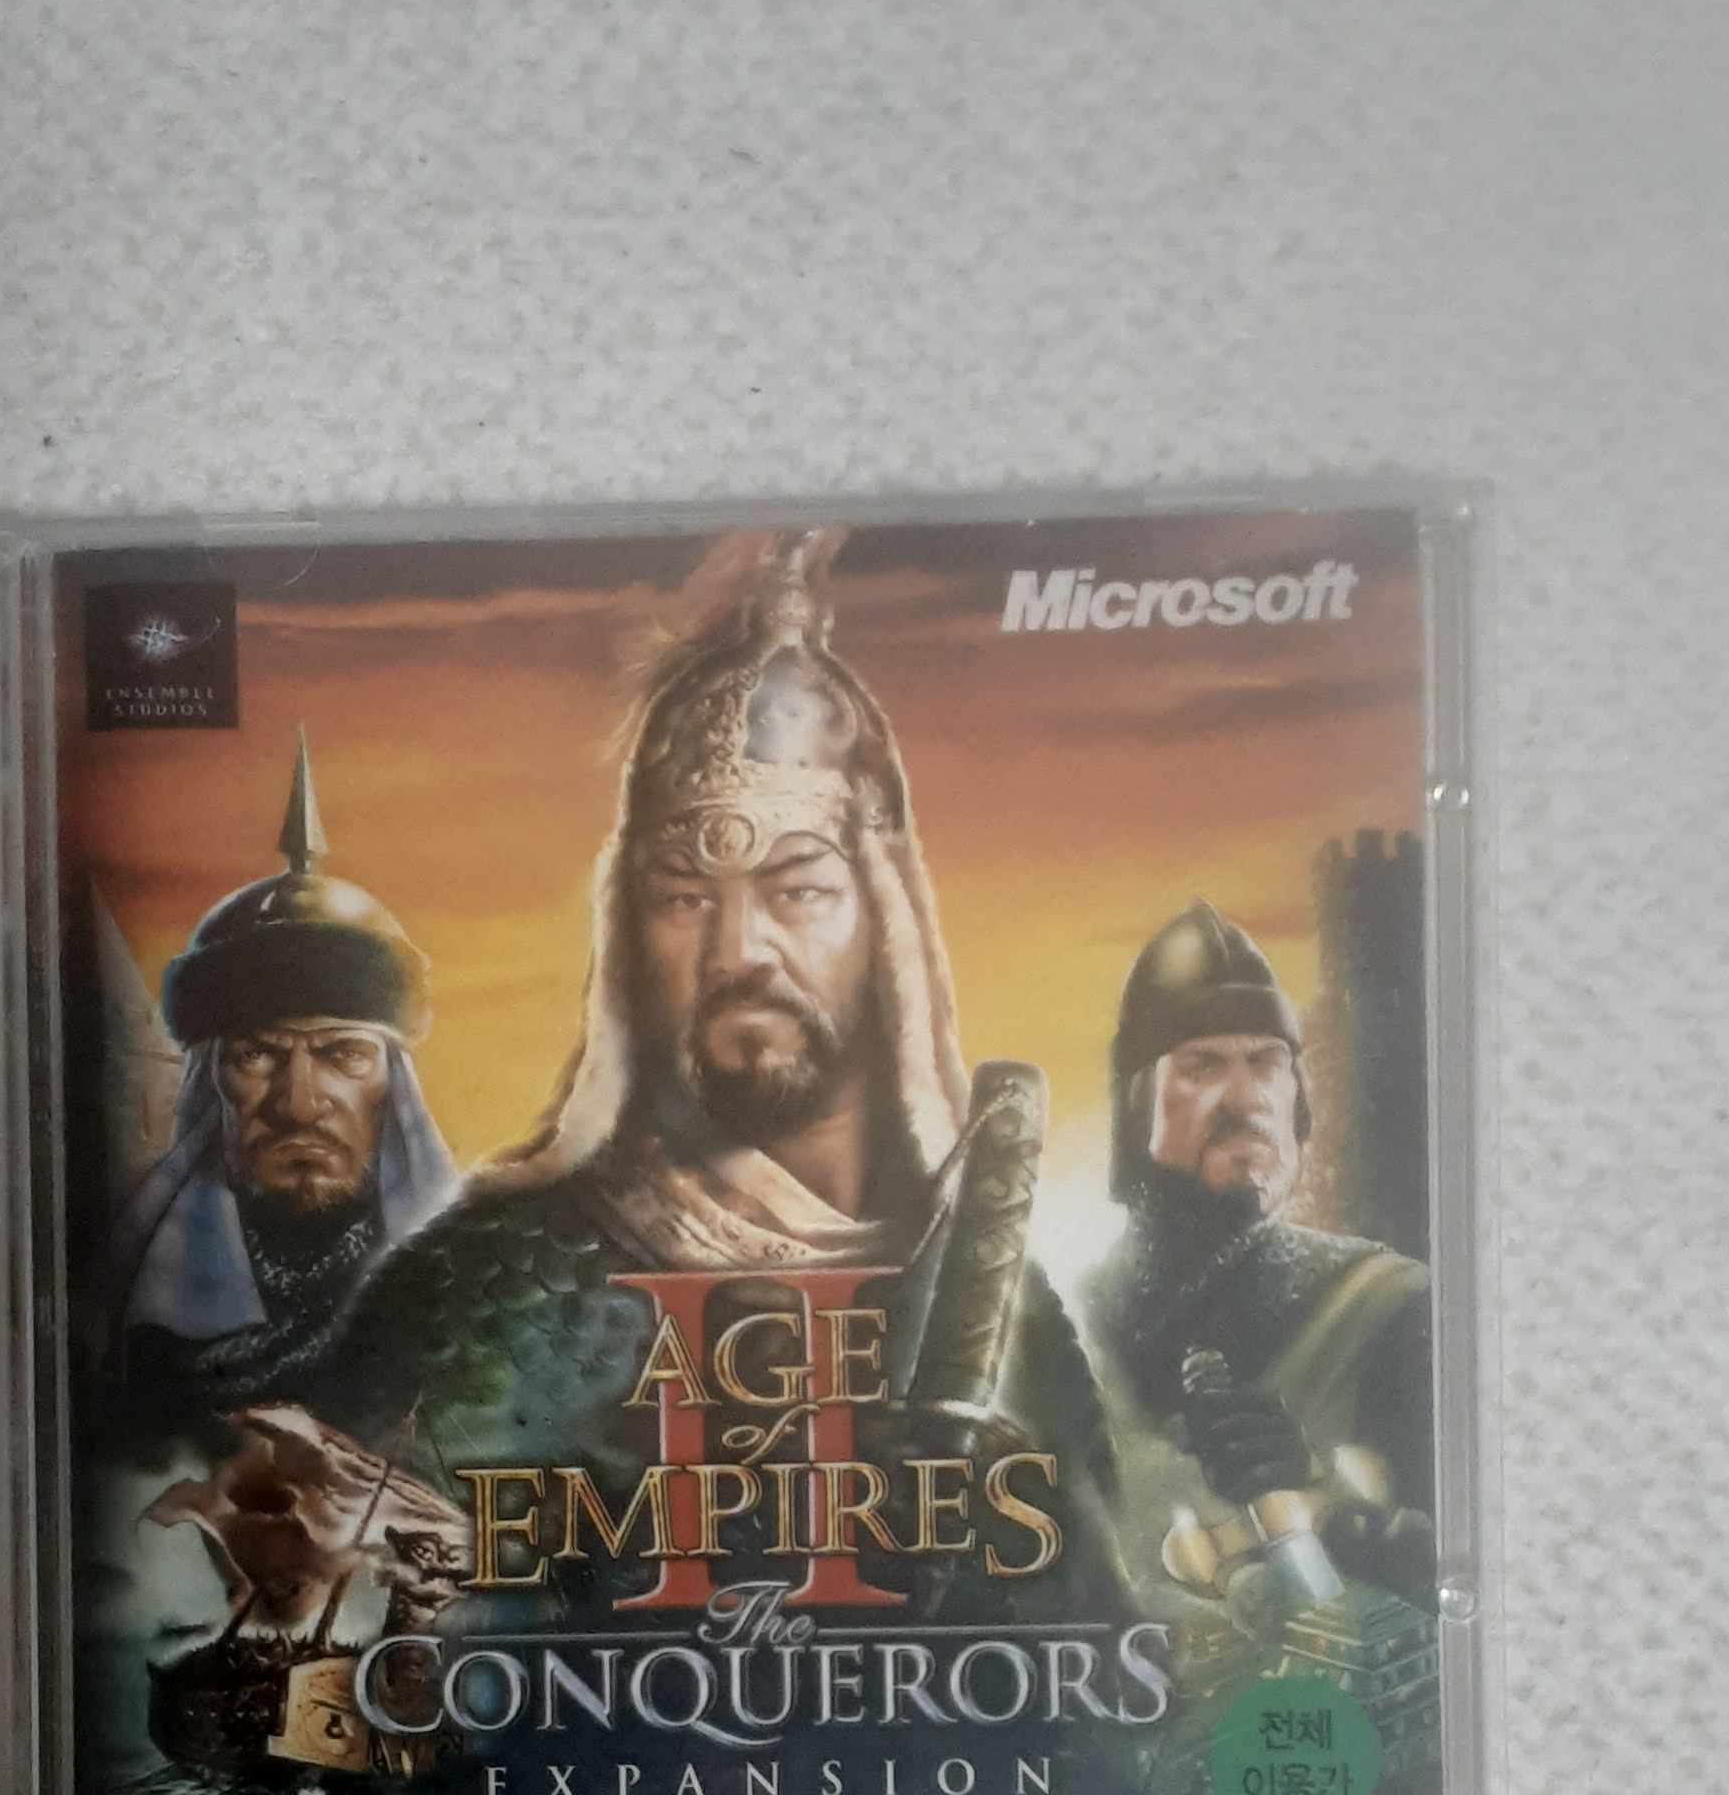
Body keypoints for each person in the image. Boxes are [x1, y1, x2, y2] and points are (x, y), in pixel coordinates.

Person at [294, 531, 1116, 1622]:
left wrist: (993, 1546)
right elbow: (330, 1667)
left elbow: (1119, 1670)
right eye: (685, 897)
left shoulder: (1005, 1305)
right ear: (631, 934)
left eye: (797, 890)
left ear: (885, 925)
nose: (738, 951)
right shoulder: (467, 1299)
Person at [95, 735, 455, 1437]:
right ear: (211, 1084)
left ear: (394, 1086)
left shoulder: (462, 1295)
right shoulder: (127, 1301)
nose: (298, 1104)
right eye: (257, 1055)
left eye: (343, 1056)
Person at [1082, 902, 1436, 1607]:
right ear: (1137, 1101)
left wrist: (1317, 1487)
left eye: (1268, 1063)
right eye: (1202, 1066)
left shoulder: (1390, 1308)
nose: (1246, 1099)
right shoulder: (1063, 1323)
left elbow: (1454, 1576)